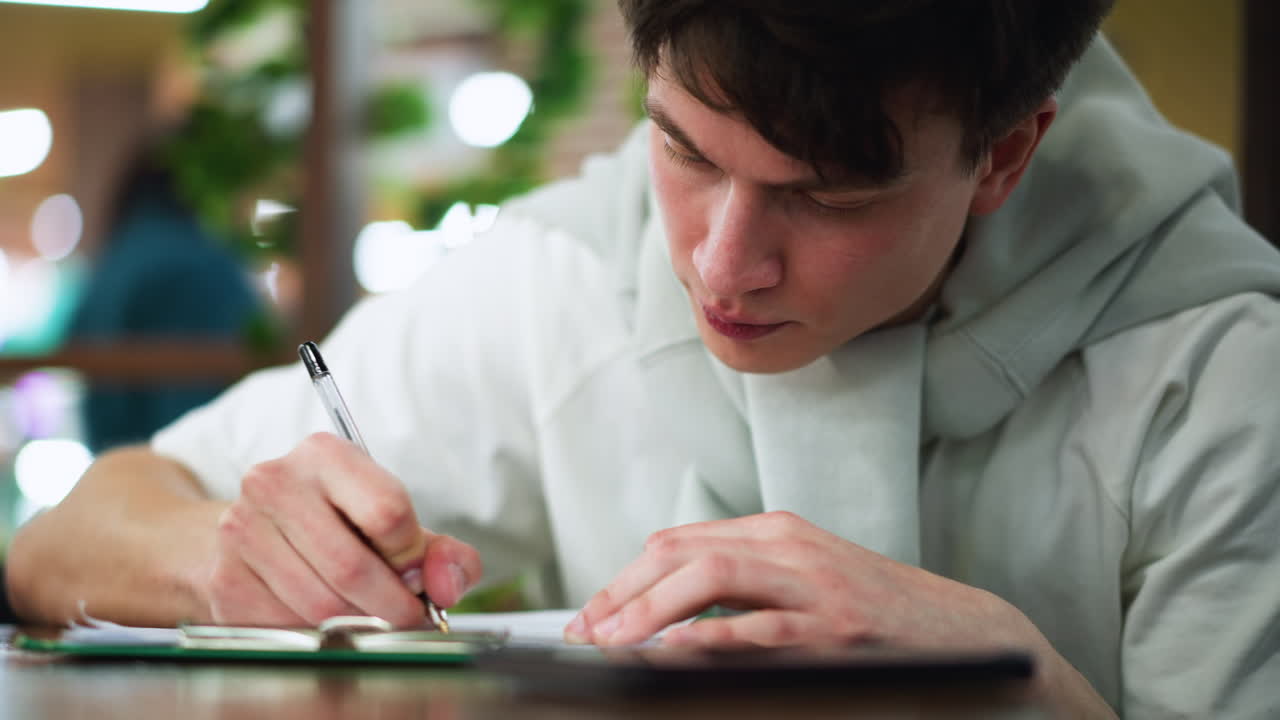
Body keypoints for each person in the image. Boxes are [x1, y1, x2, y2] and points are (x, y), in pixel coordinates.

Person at [6, 2, 1279, 716]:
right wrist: (232, 560)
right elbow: (59, 542)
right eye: (684, 150)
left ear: (1001, 156)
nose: (718, 267)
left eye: (824, 197)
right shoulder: (561, 275)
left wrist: (1022, 684)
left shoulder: (1218, 371)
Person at [66, 150, 262, 452]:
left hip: (116, 460)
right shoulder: (197, 263)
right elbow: (196, 415)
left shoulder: (117, 255)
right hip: (178, 460)